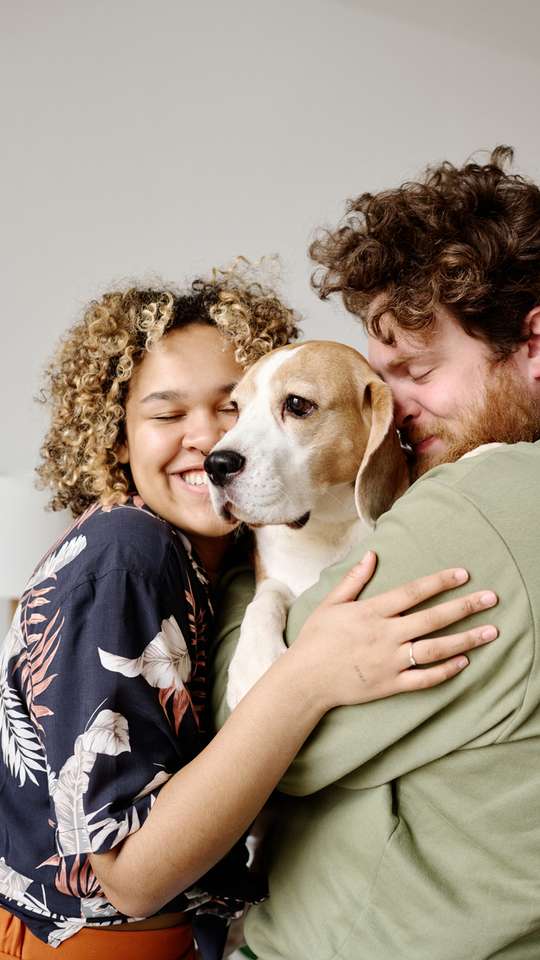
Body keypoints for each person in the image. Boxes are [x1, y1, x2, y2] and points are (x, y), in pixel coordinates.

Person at [0, 264, 492, 960]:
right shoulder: (124, 551)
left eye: (233, 409)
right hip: (89, 944)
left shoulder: (221, 562)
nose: (214, 443)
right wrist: (312, 673)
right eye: (168, 414)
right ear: (116, 437)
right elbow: (130, 878)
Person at [212, 147, 540, 959]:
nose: (392, 412)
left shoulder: (485, 496)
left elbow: (248, 752)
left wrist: (251, 585)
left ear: (534, 343)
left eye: (419, 371)